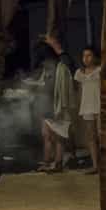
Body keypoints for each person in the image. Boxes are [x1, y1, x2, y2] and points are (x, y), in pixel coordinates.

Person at [38, 44, 76, 172]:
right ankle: (47, 161)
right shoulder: (46, 69)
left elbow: (69, 62)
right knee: (46, 135)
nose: (44, 62)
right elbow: (43, 85)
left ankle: (58, 163)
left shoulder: (62, 67)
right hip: (46, 106)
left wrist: (56, 45)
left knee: (59, 136)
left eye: (45, 59)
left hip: (60, 106)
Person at [75, 47, 101, 173]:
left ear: (95, 56)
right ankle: (95, 165)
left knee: (102, 135)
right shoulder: (80, 73)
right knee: (91, 137)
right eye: (84, 56)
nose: (86, 58)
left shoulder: (100, 70)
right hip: (87, 107)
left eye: (89, 55)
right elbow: (80, 91)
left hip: (100, 106)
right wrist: (80, 108)